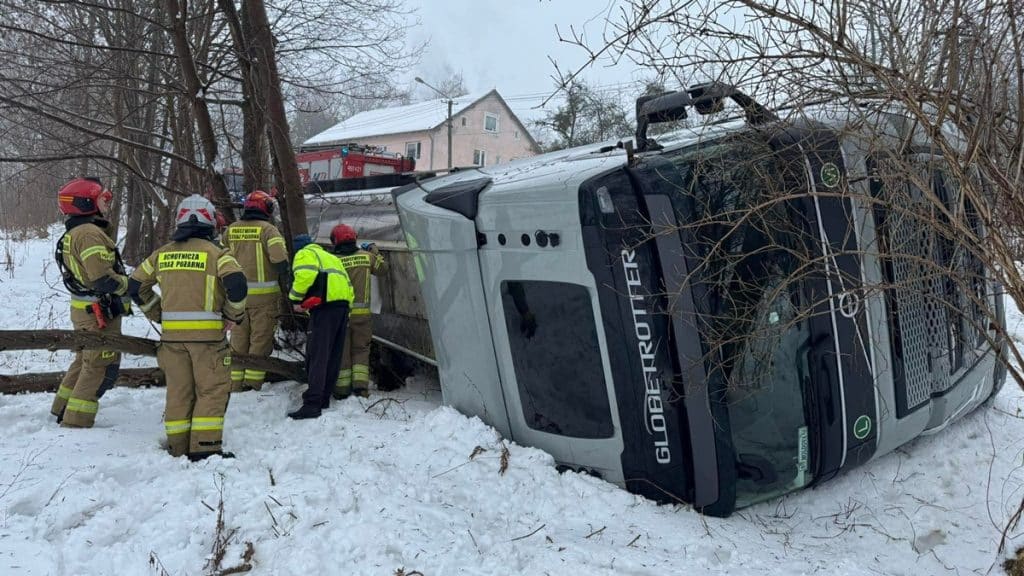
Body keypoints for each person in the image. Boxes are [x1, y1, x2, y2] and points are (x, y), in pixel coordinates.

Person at [128, 195, 248, 461]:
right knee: (211, 391)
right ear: (210, 221)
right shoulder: (217, 254)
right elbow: (238, 286)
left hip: (172, 341)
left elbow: (135, 286)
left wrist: (157, 313)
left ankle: (178, 447)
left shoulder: (162, 253)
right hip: (208, 342)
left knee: (179, 392)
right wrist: (231, 315)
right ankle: (204, 449)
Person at [50, 177, 131, 428]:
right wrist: (131, 286)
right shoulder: (89, 234)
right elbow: (101, 278)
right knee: (100, 366)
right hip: (98, 314)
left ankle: (61, 409)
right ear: (85, 203)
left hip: (85, 310)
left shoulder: (77, 232)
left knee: (85, 360)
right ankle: (76, 421)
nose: (106, 204)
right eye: (101, 199)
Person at [224, 191, 289, 392]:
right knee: (260, 341)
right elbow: (280, 261)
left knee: (238, 341)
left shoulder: (231, 230)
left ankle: (234, 384)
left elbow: (222, 257)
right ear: (266, 208)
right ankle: (252, 385)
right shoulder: (268, 230)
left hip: (236, 299)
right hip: (265, 299)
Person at [287, 234, 353, 419]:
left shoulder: (304, 254)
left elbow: (306, 275)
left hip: (324, 310)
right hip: (342, 309)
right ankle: (323, 398)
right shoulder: (331, 258)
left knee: (317, 356)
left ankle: (312, 404)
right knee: (332, 356)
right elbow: (349, 287)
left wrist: (294, 298)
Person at [329, 224, 388, 399]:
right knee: (361, 350)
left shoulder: (331, 261)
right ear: (354, 238)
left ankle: (341, 390)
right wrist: (373, 249)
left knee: (342, 351)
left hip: (340, 316)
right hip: (362, 316)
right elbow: (383, 269)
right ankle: (361, 388)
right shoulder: (366, 257)